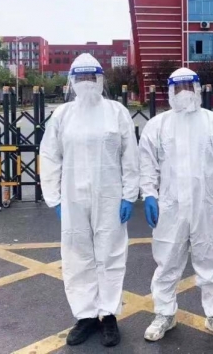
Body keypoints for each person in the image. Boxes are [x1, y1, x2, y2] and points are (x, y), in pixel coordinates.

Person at [39, 53, 139, 348]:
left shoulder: (116, 112)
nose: (86, 83)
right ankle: (85, 315)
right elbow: (50, 156)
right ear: (72, 81)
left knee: (110, 255)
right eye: (80, 78)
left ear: (100, 79)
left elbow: (130, 155)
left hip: (110, 196)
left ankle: (108, 314)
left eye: (90, 77)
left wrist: (129, 195)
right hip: (73, 197)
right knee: (77, 256)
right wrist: (55, 199)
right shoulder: (62, 115)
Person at [139, 68, 213, 344]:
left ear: (197, 89)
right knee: (167, 261)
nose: (184, 92)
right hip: (170, 207)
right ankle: (164, 313)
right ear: (170, 91)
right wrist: (149, 195)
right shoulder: (157, 125)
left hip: (207, 205)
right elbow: (147, 165)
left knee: (211, 259)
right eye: (178, 87)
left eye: (188, 86)